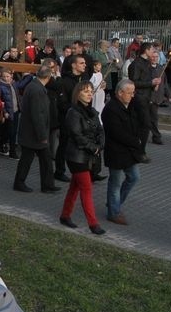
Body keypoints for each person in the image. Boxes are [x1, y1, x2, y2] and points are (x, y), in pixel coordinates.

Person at [58, 81, 106, 235]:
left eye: (91, 91)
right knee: (86, 188)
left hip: (89, 156)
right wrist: (94, 147)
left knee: (75, 187)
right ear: (77, 93)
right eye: (85, 91)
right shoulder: (73, 112)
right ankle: (93, 224)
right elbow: (77, 136)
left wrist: (100, 145)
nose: (89, 93)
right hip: (77, 157)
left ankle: (65, 215)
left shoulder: (92, 111)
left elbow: (100, 130)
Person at [101, 80, 143, 225]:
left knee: (134, 177)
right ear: (120, 92)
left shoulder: (129, 105)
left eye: (133, 92)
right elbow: (117, 133)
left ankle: (114, 203)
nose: (132, 95)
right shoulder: (111, 109)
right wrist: (135, 142)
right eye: (130, 92)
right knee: (116, 182)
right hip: (116, 152)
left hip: (129, 152)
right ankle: (114, 212)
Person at [14, 64, 59, 193]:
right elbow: (38, 114)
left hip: (32, 133)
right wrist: (43, 135)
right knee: (32, 160)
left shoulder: (34, 87)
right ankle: (26, 183)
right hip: (34, 134)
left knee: (41, 160)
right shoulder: (37, 90)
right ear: (49, 76)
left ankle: (47, 185)